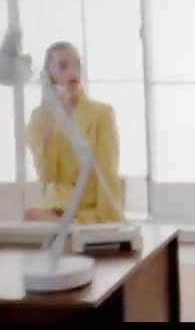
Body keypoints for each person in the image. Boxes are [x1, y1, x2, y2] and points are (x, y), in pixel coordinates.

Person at [24, 42, 125, 224]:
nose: (72, 72)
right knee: (30, 215)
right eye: (63, 66)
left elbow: (108, 173)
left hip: (89, 211)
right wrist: (49, 130)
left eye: (77, 65)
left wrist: (110, 221)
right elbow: (47, 176)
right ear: (49, 75)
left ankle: (74, 226)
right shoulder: (39, 117)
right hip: (57, 209)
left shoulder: (101, 114)